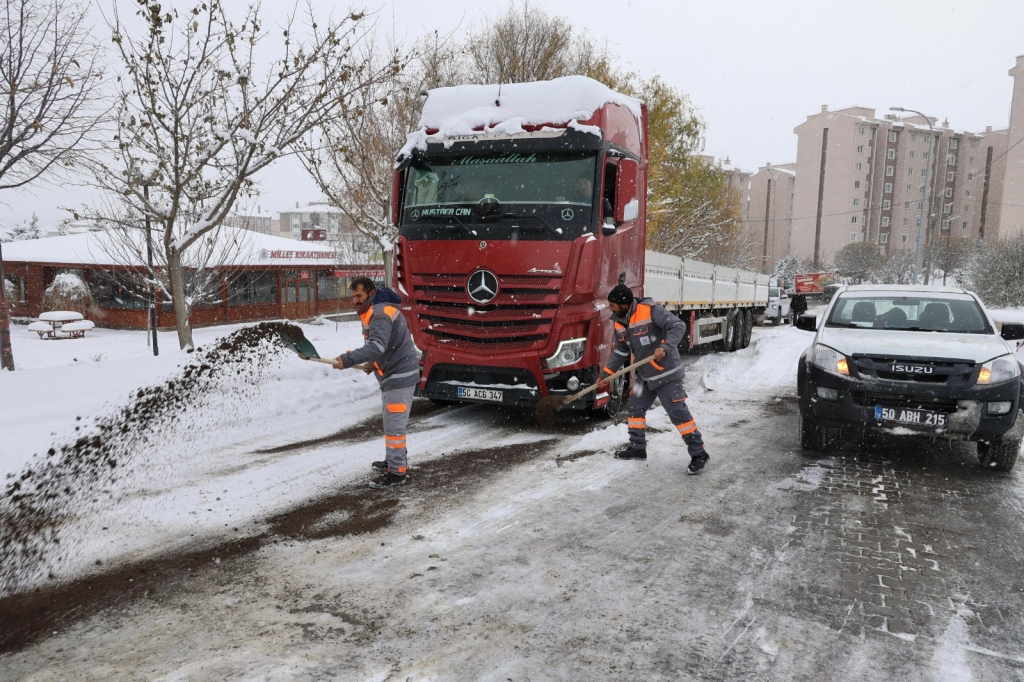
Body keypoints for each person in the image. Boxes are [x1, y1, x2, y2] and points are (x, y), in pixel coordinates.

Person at [597, 284, 710, 474]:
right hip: (644, 377)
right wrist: (607, 373)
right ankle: (638, 448)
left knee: (678, 414)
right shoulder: (618, 321)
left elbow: (678, 325)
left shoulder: (650, 310)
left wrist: (665, 347)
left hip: (666, 374)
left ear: (624, 303)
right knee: (634, 407)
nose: (611, 309)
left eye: (613, 305)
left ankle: (699, 453)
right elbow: (621, 350)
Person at [333, 277, 421, 489]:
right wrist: (372, 363)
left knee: (394, 427)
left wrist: (347, 360)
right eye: (353, 296)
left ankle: (397, 472)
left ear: (371, 293)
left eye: (359, 296)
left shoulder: (380, 313)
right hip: (395, 374)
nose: (355, 300)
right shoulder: (375, 310)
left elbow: (377, 346)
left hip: (399, 376)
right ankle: (395, 460)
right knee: (393, 423)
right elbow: (382, 345)